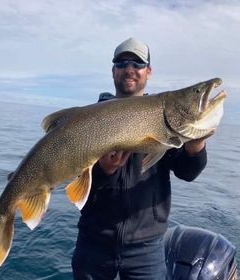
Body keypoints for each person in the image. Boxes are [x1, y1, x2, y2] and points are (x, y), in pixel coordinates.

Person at [71, 37, 212, 280]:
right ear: (113, 70)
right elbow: (76, 184)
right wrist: (103, 171)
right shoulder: (90, 120)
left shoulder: (165, 115)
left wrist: (196, 145)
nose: (129, 70)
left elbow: (186, 172)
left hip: (146, 249)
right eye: (122, 63)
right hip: (93, 243)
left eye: (137, 64)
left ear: (148, 71)